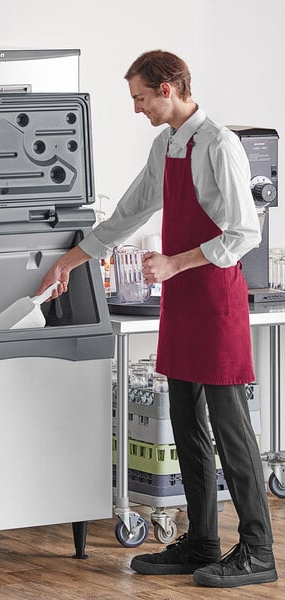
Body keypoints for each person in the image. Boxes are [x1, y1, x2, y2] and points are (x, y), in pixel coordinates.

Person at [37, 50, 278, 588]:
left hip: (214, 297)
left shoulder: (220, 144)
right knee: (187, 424)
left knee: (231, 429)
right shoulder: (166, 143)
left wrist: (173, 262)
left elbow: (244, 234)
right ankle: (202, 542)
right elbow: (130, 212)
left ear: (168, 88)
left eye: (141, 97)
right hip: (182, 299)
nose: (138, 108)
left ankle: (258, 551)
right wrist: (71, 261)